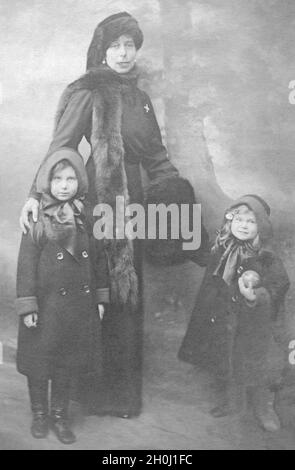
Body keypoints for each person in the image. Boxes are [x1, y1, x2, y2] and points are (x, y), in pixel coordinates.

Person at [19, 12, 209, 418]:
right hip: (102, 200)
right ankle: (88, 394)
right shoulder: (91, 92)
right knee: (100, 287)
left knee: (128, 293)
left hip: (138, 199)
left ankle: (121, 399)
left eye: (130, 45)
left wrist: (176, 194)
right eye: (116, 46)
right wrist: (36, 194)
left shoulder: (138, 97)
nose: (124, 54)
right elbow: (60, 146)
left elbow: (157, 154)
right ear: (102, 51)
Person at [16, 148, 109, 444]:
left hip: (76, 308)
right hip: (45, 308)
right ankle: (40, 414)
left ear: (79, 182)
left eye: (71, 178)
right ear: (48, 181)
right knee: (39, 364)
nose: (64, 185)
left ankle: (59, 416)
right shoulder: (38, 219)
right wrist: (28, 304)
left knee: (66, 364)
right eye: (58, 179)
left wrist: (100, 298)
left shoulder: (86, 219)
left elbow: (99, 261)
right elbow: (26, 265)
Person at [178, 195, 290, 432]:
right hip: (228, 320)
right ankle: (232, 401)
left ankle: (263, 408)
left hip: (256, 325)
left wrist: (256, 296)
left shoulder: (266, 257)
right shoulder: (223, 249)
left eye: (251, 221)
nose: (243, 225)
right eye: (238, 219)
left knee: (258, 367)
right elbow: (212, 279)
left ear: (261, 226)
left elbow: (279, 285)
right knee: (228, 360)